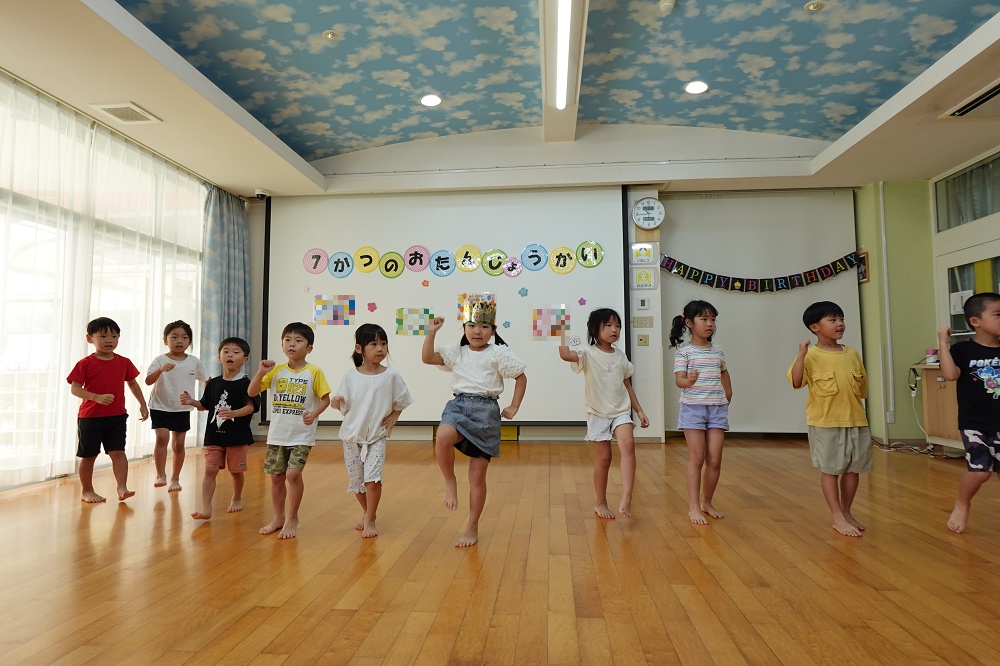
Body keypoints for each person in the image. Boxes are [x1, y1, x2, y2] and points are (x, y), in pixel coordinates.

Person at [421, 293, 527, 547]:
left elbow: (521, 377)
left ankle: (472, 526)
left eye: (484, 326)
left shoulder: (498, 353)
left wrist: (514, 405)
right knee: (443, 435)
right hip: (459, 406)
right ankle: (450, 481)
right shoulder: (457, 352)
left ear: (493, 330)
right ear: (464, 328)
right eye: (471, 325)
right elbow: (427, 358)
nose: (477, 331)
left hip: (486, 413)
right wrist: (431, 333)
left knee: (477, 477)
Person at [788, 301, 871, 537]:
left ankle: (846, 512)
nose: (840, 324)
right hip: (825, 422)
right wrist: (801, 355)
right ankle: (836, 516)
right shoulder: (810, 355)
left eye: (841, 319)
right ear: (815, 327)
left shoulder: (851, 353)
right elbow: (796, 381)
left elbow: (862, 388)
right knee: (831, 470)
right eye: (832, 320)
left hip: (856, 420)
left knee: (854, 469)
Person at [558, 308, 648, 519]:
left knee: (628, 444)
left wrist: (639, 410)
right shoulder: (587, 353)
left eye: (617, 326)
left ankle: (627, 496)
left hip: (621, 410)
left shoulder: (620, 356)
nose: (614, 329)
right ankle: (600, 502)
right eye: (608, 325)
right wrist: (561, 331)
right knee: (604, 458)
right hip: (598, 412)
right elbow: (565, 355)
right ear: (594, 329)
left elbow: (627, 385)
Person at [248, 322, 331, 539]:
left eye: (298, 340)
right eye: (287, 340)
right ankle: (278, 518)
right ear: (282, 345)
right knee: (276, 477)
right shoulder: (275, 371)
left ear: (309, 348)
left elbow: (325, 399)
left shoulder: (314, 372)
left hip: (301, 435)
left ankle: (292, 517)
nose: (291, 344)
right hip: (277, 434)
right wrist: (260, 372)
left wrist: (314, 413)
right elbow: (252, 391)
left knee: (293, 474)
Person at [330, 323, 413, 538]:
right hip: (351, 436)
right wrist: (335, 402)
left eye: (383, 344)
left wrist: (395, 415)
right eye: (374, 344)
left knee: (372, 479)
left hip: (377, 436)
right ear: (359, 348)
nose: (380, 349)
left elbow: (402, 399)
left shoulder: (391, 375)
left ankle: (370, 518)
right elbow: (343, 405)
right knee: (357, 482)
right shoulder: (350, 376)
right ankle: (368, 512)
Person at [66, 316, 149, 503]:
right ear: (90, 339)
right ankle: (87, 491)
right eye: (103, 336)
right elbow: (75, 389)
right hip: (90, 418)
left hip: (117, 416)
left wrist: (143, 404)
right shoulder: (85, 363)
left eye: (114, 336)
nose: (109, 340)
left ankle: (122, 488)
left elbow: (133, 384)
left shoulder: (124, 362)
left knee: (118, 452)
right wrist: (96, 397)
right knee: (89, 456)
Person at [937, 292, 1000, 534]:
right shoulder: (963, 350)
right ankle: (962, 504)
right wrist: (943, 344)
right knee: (980, 471)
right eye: (997, 314)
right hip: (974, 423)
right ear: (975, 321)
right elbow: (950, 374)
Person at [180, 337, 259, 520]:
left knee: (236, 472)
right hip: (214, 436)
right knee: (210, 469)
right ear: (219, 357)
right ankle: (206, 508)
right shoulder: (213, 383)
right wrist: (192, 401)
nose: (230, 355)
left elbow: (251, 407)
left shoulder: (247, 384)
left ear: (245, 360)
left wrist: (234, 413)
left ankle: (236, 498)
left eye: (236, 352)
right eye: (226, 352)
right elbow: (206, 405)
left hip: (237, 437)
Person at [669, 300, 732, 525]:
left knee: (715, 459)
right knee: (697, 457)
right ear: (689, 322)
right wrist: (689, 381)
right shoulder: (684, 352)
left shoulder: (718, 350)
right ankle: (693, 506)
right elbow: (679, 380)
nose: (709, 324)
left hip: (717, 409)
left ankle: (707, 502)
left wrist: (728, 394)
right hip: (693, 409)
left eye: (713, 319)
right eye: (704, 319)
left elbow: (724, 373)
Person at [145, 320, 210, 492]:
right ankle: (160, 474)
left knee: (179, 444)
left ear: (190, 341)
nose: (179, 341)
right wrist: (160, 370)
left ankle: (175, 478)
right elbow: (148, 381)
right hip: (160, 406)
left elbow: (207, 380)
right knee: (162, 438)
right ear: (165, 340)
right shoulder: (160, 360)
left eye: (184, 337)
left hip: (182, 408)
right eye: (174, 337)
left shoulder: (194, 362)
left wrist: (204, 401)